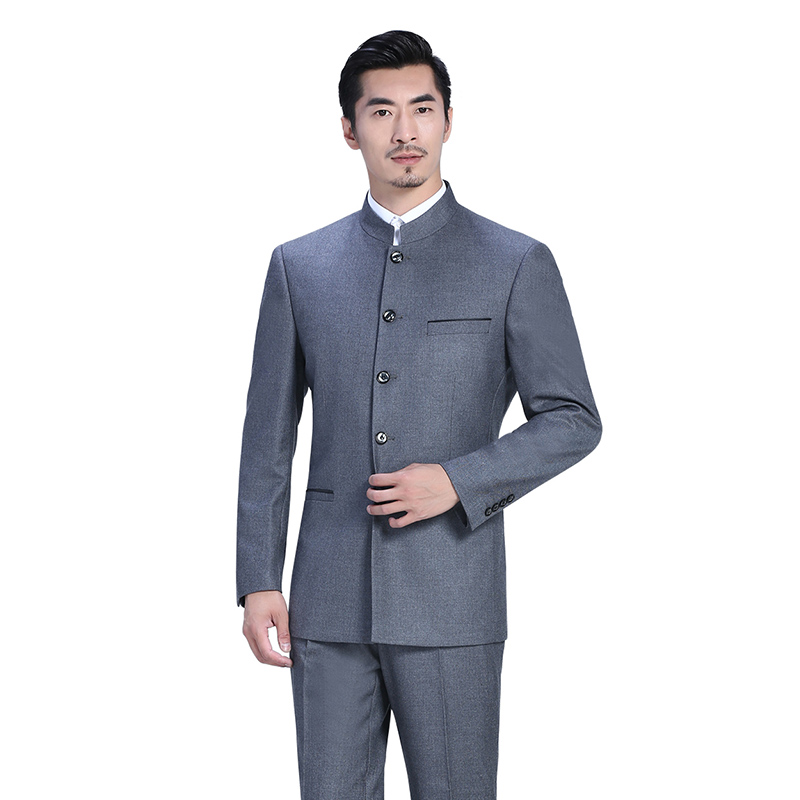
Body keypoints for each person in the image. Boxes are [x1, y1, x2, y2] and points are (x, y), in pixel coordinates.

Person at [236, 30, 601, 800]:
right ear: (349, 129)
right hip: (326, 602)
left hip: (453, 597)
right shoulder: (299, 266)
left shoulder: (514, 262)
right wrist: (258, 579)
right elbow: (267, 437)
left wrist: (459, 481)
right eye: (381, 112)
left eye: (422, 109)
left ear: (448, 120)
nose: (404, 131)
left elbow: (572, 417)